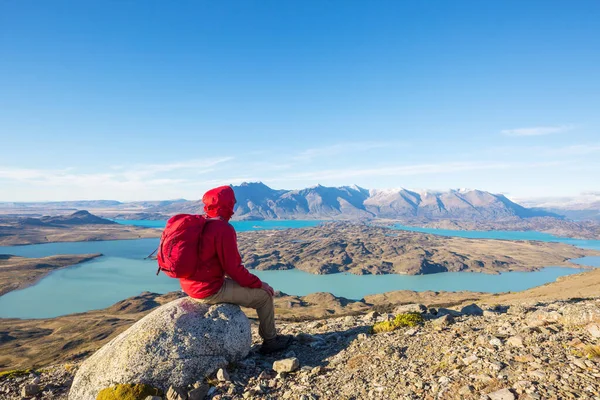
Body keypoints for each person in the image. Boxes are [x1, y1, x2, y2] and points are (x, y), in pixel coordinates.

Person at [179, 185, 292, 354]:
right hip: (209, 289)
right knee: (264, 297)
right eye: (232, 204)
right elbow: (234, 269)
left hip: (190, 286)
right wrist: (259, 284)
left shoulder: (199, 223)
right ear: (228, 205)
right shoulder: (223, 229)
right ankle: (271, 341)